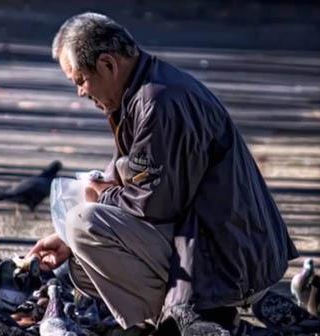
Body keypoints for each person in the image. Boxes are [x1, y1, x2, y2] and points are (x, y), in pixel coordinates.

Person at [27, 12, 298, 335]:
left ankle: (197, 316)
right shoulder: (142, 92)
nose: (81, 93)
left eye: (80, 81)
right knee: (81, 263)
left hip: (229, 260)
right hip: (211, 244)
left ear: (108, 65)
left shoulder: (161, 101)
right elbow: (131, 182)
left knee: (83, 224)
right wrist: (67, 239)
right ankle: (183, 319)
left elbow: (152, 206)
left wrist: (97, 197)